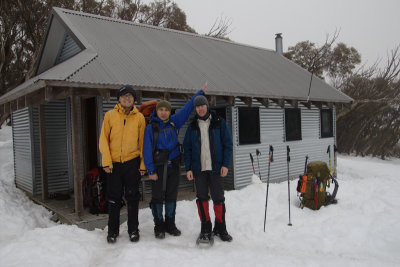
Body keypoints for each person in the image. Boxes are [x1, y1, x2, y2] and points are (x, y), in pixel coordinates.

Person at [143, 83, 207, 239]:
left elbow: (187, 108)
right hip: (158, 168)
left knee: (171, 196)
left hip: (173, 166)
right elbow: (146, 149)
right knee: (157, 197)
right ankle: (159, 226)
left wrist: (200, 92)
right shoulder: (151, 127)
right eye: (161, 110)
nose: (164, 113)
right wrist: (150, 170)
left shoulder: (174, 122)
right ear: (157, 111)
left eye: (166, 110)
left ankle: (170, 224)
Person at [99, 85, 146, 244]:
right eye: (124, 96)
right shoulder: (110, 116)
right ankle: (112, 231)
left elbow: (143, 143)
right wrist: (106, 161)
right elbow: (103, 140)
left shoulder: (139, 118)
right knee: (113, 198)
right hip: (113, 165)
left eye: (130, 96)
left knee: (132, 197)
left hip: (132, 163)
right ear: (119, 99)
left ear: (134, 99)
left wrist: (142, 165)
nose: (127, 99)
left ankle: (133, 230)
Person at [183, 95, 233, 243]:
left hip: (216, 169)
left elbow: (228, 145)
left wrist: (225, 164)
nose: (200, 108)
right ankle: (206, 227)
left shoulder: (219, 122)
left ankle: (220, 227)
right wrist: (188, 168)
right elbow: (187, 148)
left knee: (218, 198)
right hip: (199, 170)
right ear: (196, 109)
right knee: (202, 198)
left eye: (202, 105)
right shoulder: (192, 126)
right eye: (197, 106)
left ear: (207, 106)